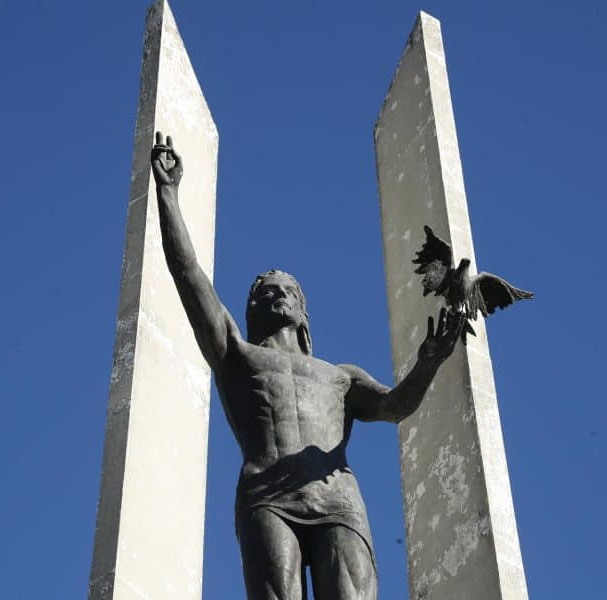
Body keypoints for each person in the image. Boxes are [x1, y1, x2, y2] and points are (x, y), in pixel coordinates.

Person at [150, 132, 463, 599]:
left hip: (338, 500)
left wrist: (429, 363)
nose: (275, 293)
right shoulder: (237, 356)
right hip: (267, 498)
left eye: (286, 290)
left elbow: (397, 405)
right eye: (264, 291)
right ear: (253, 310)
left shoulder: (341, 377)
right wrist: (169, 196)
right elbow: (189, 274)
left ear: (303, 312)